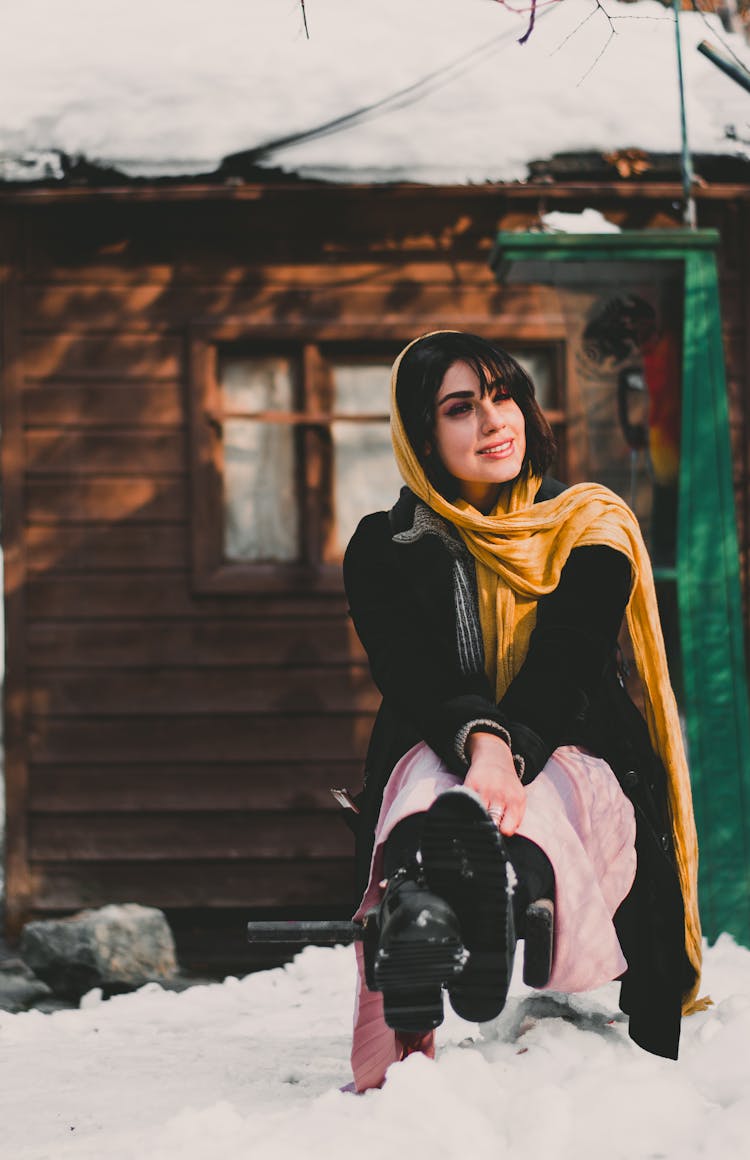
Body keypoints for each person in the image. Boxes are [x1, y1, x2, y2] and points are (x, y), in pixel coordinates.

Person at [342, 331, 706, 1094]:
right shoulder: (384, 545)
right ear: (422, 434)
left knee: (542, 796)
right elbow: (413, 672)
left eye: (503, 395)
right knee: (428, 796)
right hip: (436, 738)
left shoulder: (588, 526)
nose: (493, 421)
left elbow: (566, 662)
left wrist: (507, 752)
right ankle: (440, 914)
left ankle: (493, 898)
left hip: (572, 743)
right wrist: (478, 742)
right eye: (459, 408)